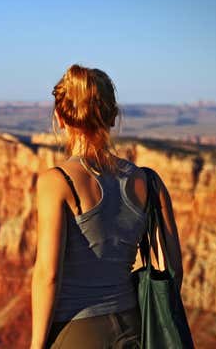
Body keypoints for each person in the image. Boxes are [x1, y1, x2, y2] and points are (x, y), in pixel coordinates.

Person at [30, 64, 184, 348]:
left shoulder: (58, 182)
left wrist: (37, 346)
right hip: (134, 330)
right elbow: (172, 268)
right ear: (112, 117)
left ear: (60, 118)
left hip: (76, 332)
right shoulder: (148, 182)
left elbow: (47, 276)